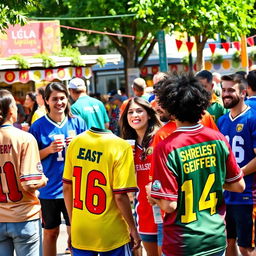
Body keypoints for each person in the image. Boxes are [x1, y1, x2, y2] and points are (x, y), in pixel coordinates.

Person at [148, 73, 245, 256]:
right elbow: (239, 185)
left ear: (171, 107)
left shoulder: (167, 147)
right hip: (216, 238)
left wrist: (152, 195)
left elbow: (169, 205)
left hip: (182, 243)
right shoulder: (218, 139)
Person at [63, 127, 141, 256]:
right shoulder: (122, 146)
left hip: (81, 230)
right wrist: (133, 228)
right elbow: (120, 196)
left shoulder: (75, 142)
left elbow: (67, 188)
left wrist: (74, 225)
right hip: (112, 233)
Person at [29, 82, 87, 256]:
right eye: (54, 99)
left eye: (62, 98)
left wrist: (77, 146)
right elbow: (30, 158)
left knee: (76, 234)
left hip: (75, 187)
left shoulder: (78, 123)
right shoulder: (38, 127)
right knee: (50, 233)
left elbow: (90, 155)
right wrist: (49, 149)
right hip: (49, 190)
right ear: (46, 101)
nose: (59, 102)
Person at [0, 89, 48, 256]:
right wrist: (43, 179)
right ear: (11, 110)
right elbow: (29, 183)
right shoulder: (25, 138)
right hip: (24, 216)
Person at [218, 74, 256, 256]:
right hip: (226, 194)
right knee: (228, 242)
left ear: (243, 92)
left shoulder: (252, 118)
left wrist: (237, 173)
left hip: (248, 193)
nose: (226, 94)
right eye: (223, 90)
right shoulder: (222, 121)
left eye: (230, 90)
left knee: (246, 247)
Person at [120, 97, 162, 256]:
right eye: (130, 112)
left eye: (139, 111)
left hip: (166, 209)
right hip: (143, 211)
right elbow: (127, 186)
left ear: (149, 114)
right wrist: (127, 164)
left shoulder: (160, 137)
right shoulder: (125, 145)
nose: (134, 115)